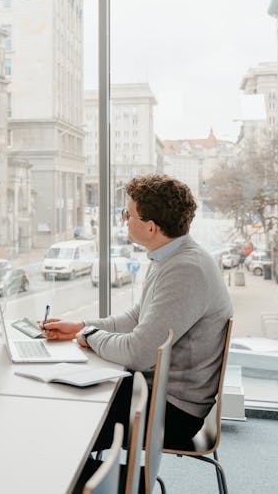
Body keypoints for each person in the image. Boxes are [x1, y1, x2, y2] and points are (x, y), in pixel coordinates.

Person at [42, 174, 233, 450]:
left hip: (172, 413)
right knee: (73, 398)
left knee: (72, 416)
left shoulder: (186, 270)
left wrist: (89, 335)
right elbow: (137, 318)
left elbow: (139, 353)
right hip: (157, 393)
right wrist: (81, 326)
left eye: (128, 214)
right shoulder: (170, 256)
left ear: (151, 227)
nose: (124, 219)